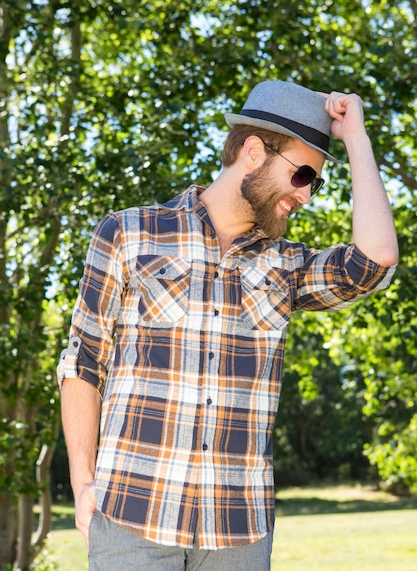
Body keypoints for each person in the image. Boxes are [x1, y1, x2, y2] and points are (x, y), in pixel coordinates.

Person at [58, 81, 398, 570]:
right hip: (130, 519)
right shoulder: (130, 233)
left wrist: (357, 138)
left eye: (316, 183)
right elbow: (84, 361)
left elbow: (375, 259)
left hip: (239, 533)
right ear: (254, 151)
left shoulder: (287, 265)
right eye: (302, 174)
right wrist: (82, 481)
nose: (305, 195)